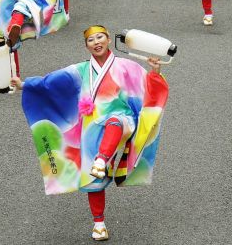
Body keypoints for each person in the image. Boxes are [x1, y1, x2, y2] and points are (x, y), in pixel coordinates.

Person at [10, 25, 169, 242]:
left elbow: (148, 87)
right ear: (86, 46)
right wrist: (24, 85)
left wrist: (156, 71)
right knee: (93, 180)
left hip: (123, 121)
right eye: (91, 40)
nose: (96, 42)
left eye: (100, 37)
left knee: (114, 121)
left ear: (108, 40)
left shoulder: (126, 67)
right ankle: (99, 224)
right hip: (92, 127)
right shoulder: (80, 70)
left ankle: (102, 159)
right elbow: (51, 83)